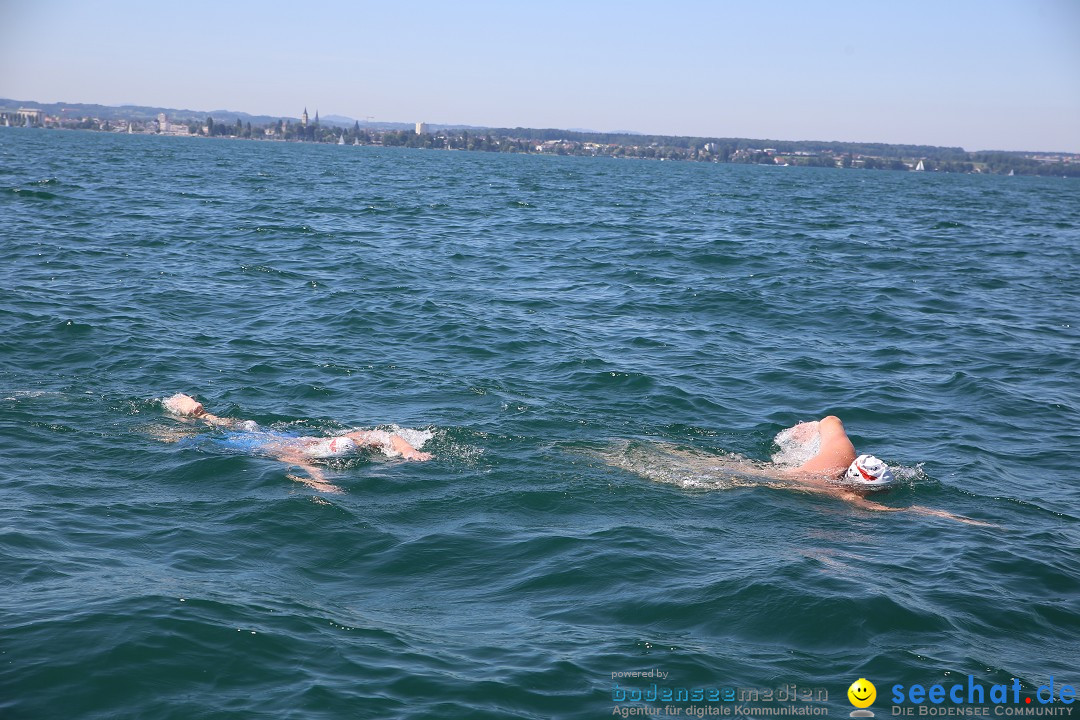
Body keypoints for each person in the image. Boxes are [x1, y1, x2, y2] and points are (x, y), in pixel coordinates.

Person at [163, 393, 431, 493]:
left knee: (223, 423)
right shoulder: (301, 450)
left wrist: (410, 450)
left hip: (269, 433)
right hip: (248, 443)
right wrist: (320, 481)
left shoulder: (346, 440)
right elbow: (294, 461)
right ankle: (186, 413)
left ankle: (200, 412)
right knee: (198, 435)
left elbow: (384, 436)